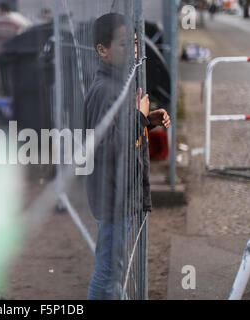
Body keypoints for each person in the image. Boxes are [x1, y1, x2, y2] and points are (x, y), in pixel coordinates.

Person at [84, 13, 170, 300]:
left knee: (113, 270)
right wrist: (138, 117)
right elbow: (106, 148)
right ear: (102, 50)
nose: (134, 51)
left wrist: (146, 121)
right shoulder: (104, 91)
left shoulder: (118, 84)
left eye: (135, 43)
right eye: (124, 44)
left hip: (120, 194)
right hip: (113, 199)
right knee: (108, 274)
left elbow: (122, 133)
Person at [0, 2, 32, 95]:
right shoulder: (15, 23)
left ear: (0, 10)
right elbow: (18, 37)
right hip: (11, 52)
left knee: (2, 73)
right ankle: (13, 92)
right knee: (12, 72)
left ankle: (4, 92)